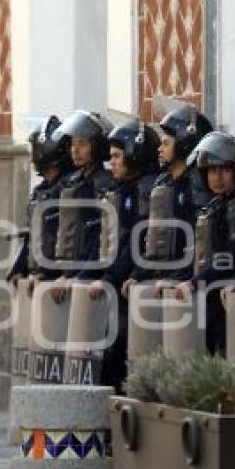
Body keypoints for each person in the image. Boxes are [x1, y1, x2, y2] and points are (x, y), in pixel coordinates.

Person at [84, 117, 161, 391]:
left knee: (122, 353)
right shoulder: (123, 190)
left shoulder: (146, 189)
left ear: (134, 154)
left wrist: (111, 276)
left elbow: (137, 241)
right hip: (119, 283)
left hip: (130, 286)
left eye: (117, 156)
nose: (111, 162)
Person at [174, 131, 235, 353]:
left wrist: (194, 283)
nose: (217, 177)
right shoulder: (215, 206)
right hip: (213, 297)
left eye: (225, 169)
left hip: (232, 297)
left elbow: (232, 256)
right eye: (211, 170)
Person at [123, 102, 213, 297]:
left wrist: (181, 276)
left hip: (186, 285)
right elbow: (153, 235)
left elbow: (198, 240)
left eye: (166, 143)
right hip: (161, 278)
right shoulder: (163, 182)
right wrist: (138, 274)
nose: (159, 149)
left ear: (184, 142)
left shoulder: (197, 183)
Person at [47, 110, 114, 301]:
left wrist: (75, 276)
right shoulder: (74, 181)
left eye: (82, 144)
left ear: (98, 147)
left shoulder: (102, 184)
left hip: (89, 279)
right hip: (72, 274)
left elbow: (97, 236)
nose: (75, 151)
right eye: (72, 144)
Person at [7, 115, 74, 288]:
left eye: (34, 150)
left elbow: (64, 237)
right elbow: (34, 235)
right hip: (38, 276)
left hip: (56, 280)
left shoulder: (67, 188)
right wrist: (19, 268)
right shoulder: (42, 190)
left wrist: (49, 272)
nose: (32, 158)